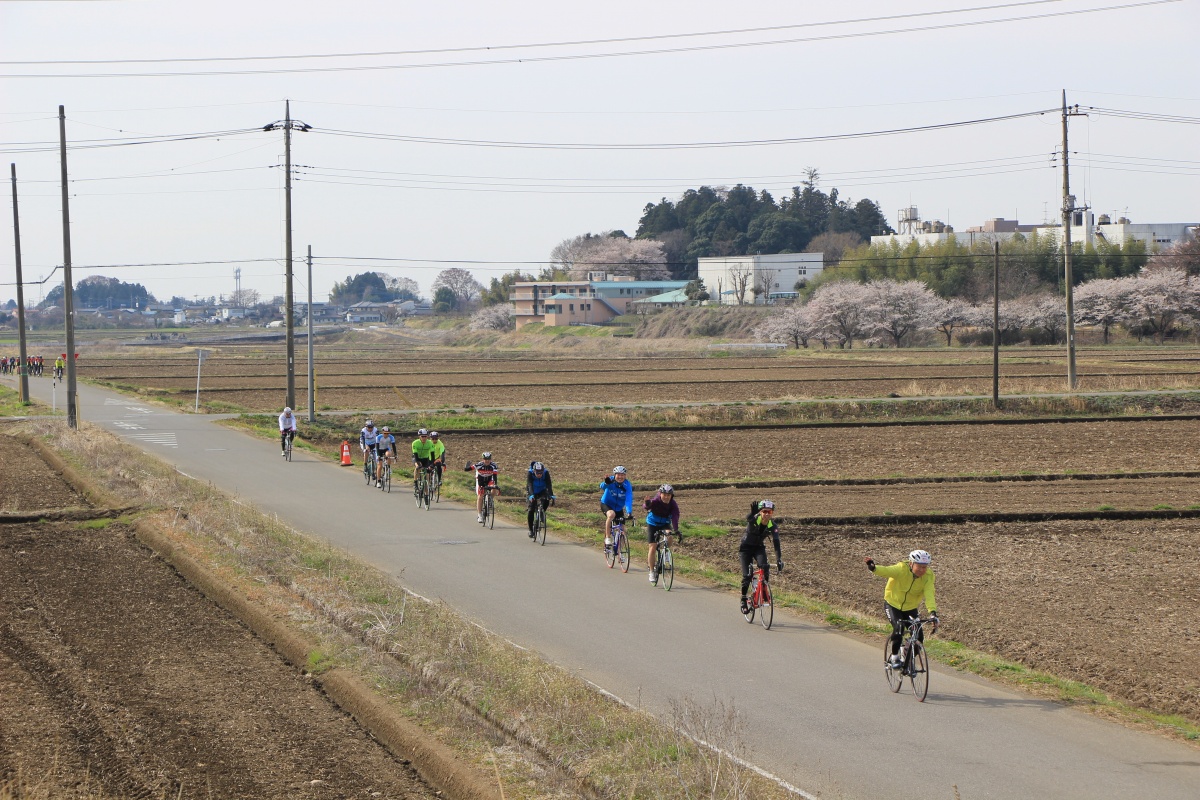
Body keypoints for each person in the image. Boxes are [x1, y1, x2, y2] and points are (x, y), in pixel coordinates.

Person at [864, 549, 939, 670]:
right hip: (893, 604)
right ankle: (894, 658)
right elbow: (887, 571)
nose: (922, 570)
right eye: (919, 566)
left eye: (924, 567)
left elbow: (929, 594)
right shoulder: (901, 568)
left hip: (910, 608)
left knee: (919, 636)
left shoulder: (928, 576)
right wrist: (874, 568)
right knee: (898, 628)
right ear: (911, 564)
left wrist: (932, 612)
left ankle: (906, 657)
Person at [739, 500, 783, 614]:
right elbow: (748, 519)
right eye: (765, 511)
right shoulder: (754, 519)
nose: (767, 514)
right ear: (760, 512)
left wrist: (779, 559)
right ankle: (743, 599)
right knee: (747, 576)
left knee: (765, 567)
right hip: (746, 549)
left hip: (759, 547)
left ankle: (763, 591)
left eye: (770, 512)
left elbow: (776, 542)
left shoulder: (772, 525)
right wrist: (751, 513)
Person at [643, 484, 681, 584]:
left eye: (669, 495)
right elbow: (647, 507)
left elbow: (675, 517)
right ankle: (651, 571)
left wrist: (676, 530)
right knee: (653, 547)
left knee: (669, 535)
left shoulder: (673, 504)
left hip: (664, 523)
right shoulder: (656, 501)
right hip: (653, 523)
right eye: (664, 494)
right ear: (660, 494)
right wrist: (647, 504)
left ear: (671, 495)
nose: (666, 497)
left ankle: (666, 552)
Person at [600, 466, 633, 550]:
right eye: (618, 475)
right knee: (611, 515)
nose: (620, 477)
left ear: (625, 476)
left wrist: (629, 512)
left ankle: (620, 551)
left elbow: (628, 499)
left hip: (618, 508)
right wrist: (606, 483)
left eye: (622, 475)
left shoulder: (627, 485)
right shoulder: (611, 480)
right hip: (606, 504)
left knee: (623, 529)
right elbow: (602, 486)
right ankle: (607, 538)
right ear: (615, 475)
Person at [464, 452, 500, 523]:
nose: (487, 461)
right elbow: (467, 469)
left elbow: (495, 477)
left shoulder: (494, 465)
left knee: (494, 488)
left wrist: (495, 485)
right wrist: (467, 466)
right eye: (485, 459)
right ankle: (479, 515)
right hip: (481, 481)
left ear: (491, 459)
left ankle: (490, 500)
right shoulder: (479, 465)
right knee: (480, 496)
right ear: (483, 459)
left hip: (489, 480)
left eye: (489, 459)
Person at [525, 461, 555, 539]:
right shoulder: (530, 473)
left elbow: (549, 484)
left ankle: (542, 512)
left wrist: (551, 495)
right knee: (531, 510)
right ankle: (531, 530)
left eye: (540, 473)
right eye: (537, 473)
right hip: (532, 491)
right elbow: (530, 484)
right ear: (534, 471)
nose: (539, 474)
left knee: (547, 499)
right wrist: (531, 496)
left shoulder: (546, 473)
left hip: (542, 490)